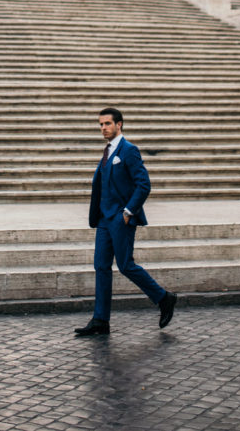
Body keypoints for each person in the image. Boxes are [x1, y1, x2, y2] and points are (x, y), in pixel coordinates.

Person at [74, 106, 177, 336]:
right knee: (101, 266)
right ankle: (100, 320)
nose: (103, 128)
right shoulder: (107, 151)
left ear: (119, 124)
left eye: (107, 124)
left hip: (121, 218)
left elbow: (144, 185)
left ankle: (163, 298)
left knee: (125, 265)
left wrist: (129, 211)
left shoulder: (129, 150)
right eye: (100, 124)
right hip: (103, 218)